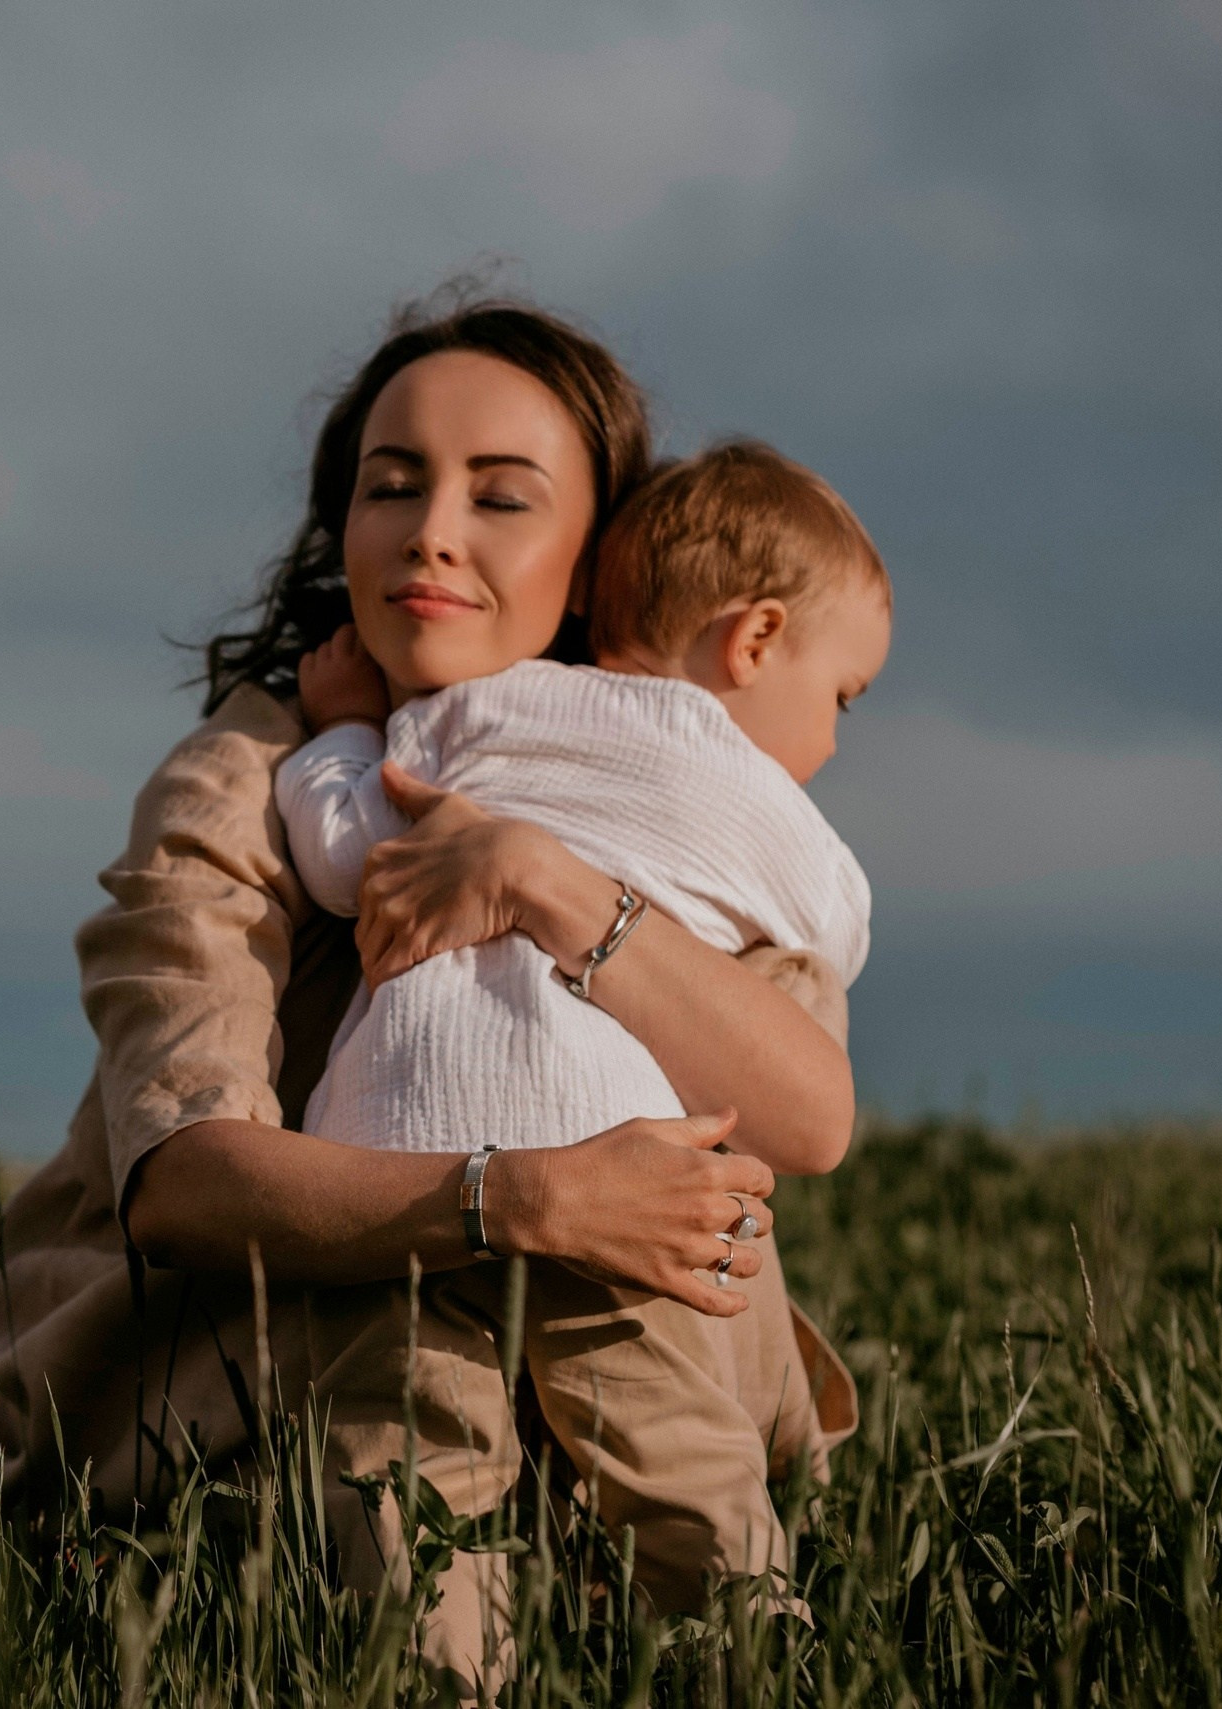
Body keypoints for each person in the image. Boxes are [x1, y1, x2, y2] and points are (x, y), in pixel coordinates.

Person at [0, 296, 859, 1691]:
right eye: (392, 486)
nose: (433, 528)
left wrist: (546, 879)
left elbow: (808, 1112)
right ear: (345, 531)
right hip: (244, 1392)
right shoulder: (254, 775)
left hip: (604, 1394)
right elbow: (187, 1175)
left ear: (596, 559)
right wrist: (528, 1195)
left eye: (502, 497)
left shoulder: (684, 793)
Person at [275, 438, 891, 1616]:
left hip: (400, 1149)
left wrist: (344, 730)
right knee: (675, 1455)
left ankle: (434, 1669)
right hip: (616, 1166)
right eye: (841, 697)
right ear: (754, 641)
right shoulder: (766, 801)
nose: (826, 739)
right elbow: (830, 939)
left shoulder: (469, 710)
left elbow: (348, 857)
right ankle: (745, 1639)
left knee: (406, 1463)